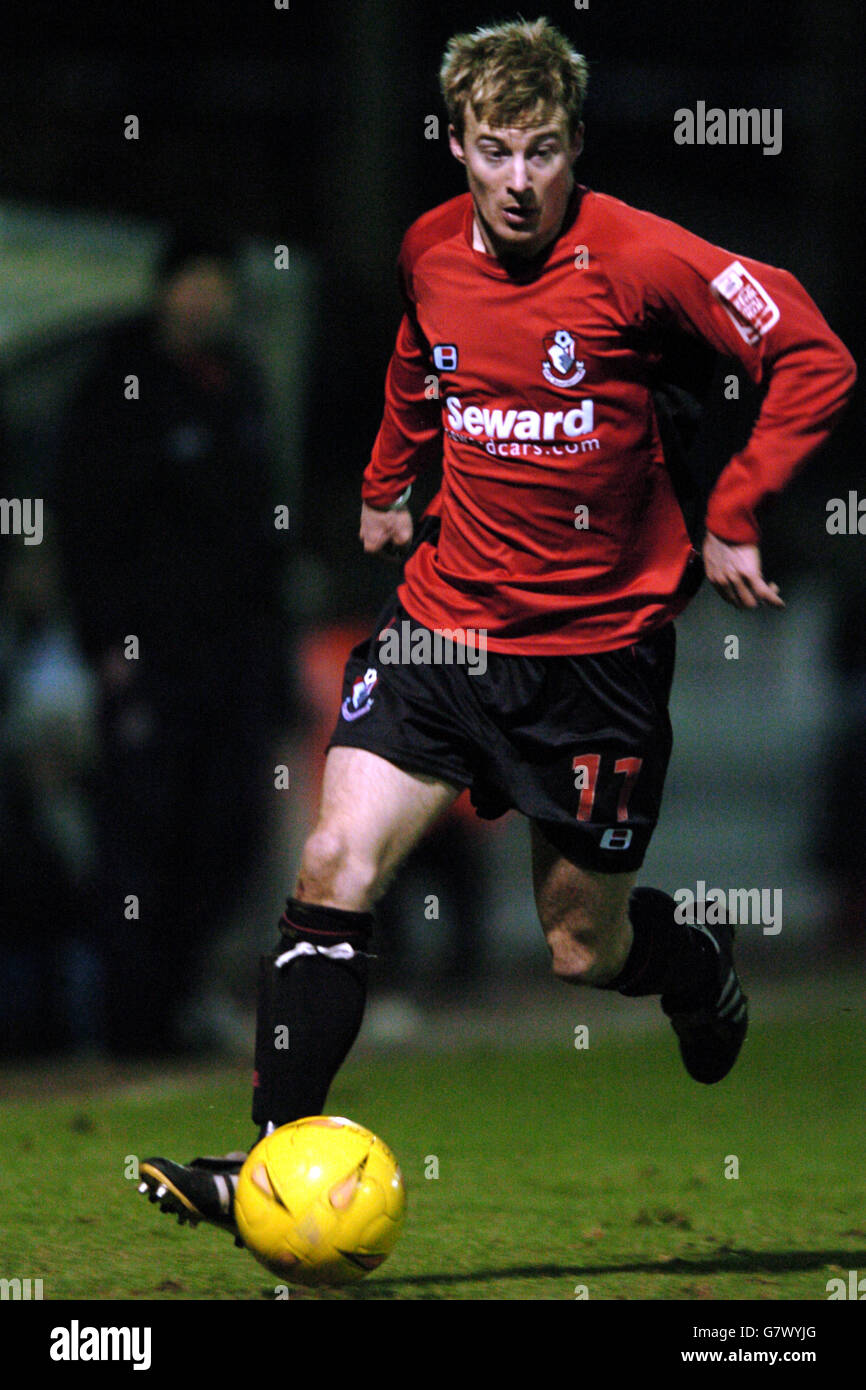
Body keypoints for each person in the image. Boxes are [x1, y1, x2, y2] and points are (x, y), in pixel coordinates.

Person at [137, 19, 855, 1234]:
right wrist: (383, 480)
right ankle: (263, 1162)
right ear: (457, 145)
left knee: (583, 947)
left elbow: (813, 353)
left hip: (595, 667)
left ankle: (693, 968)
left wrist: (734, 508)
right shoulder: (430, 249)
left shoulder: (642, 257)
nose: (516, 182)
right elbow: (419, 364)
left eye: (539, 152)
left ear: (572, 144)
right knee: (331, 868)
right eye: (491, 151)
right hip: (441, 632)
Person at [55, 231, 289, 1056]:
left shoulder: (241, 385)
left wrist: (277, 662)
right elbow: (84, 528)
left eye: (217, 285)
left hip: (233, 660)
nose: (205, 300)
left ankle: (175, 997)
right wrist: (107, 644)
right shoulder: (117, 390)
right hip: (149, 657)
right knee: (140, 837)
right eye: (192, 284)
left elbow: (265, 534)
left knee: (226, 832)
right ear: (164, 292)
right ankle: (129, 1020)